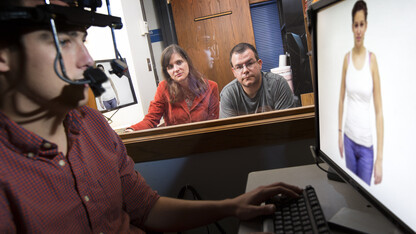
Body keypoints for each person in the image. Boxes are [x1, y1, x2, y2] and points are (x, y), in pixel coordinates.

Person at [0, 0, 303, 233]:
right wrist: (134, 130)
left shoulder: (95, 128)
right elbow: (151, 118)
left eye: (83, 40)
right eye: (63, 42)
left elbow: (147, 208)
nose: (88, 60)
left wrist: (232, 206)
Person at [338, 0, 384, 186]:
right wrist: (340, 133)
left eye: (361, 24)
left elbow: (379, 112)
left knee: (365, 199)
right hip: (348, 140)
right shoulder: (346, 59)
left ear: (366, 26)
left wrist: (379, 159)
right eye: (355, 25)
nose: (358, 29)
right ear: (352, 27)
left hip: (366, 146)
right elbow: (341, 99)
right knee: (350, 193)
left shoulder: (372, 61)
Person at [125, 44, 219, 131]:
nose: (176, 69)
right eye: (170, 66)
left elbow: (213, 123)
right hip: (177, 143)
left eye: (179, 62)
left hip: (204, 141)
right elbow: (151, 119)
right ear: (167, 71)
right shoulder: (163, 88)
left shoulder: (211, 87)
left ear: (187, 62)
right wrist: (132, 130)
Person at [220, 42, 295, 118]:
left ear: (259, 64)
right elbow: (230, 129)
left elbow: (287, 125)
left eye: (249, 63)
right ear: (234, 72)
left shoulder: (278, 83)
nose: (245, 70)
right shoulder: (228, 94)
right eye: (239, 67)